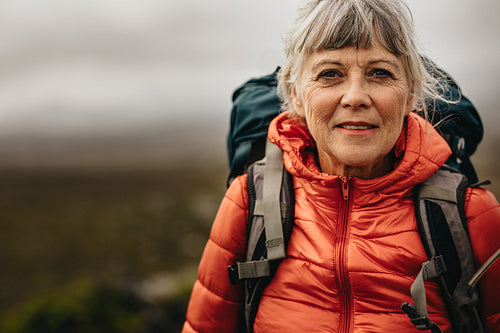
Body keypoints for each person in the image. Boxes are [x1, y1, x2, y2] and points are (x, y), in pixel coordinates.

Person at [182, 0, 500, 332]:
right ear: (297, 95)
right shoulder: (249, 201)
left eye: (380, 72)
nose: (355, 96)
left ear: (410, 95)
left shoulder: (471, 215)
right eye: (330, 74)